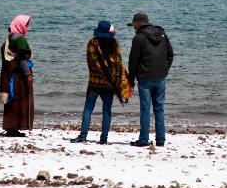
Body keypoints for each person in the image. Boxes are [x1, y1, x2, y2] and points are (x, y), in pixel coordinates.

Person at [71, 20, 131, 145]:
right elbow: (118, 63)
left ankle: (83, 136)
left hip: (94, 81)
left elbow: (90, 62)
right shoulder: (114, 44)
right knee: (107, 110)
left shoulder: (92, 43)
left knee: (88, 109)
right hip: (109, 83)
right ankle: (104, 139)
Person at [127, 12, 174, 147]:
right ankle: (160, 140)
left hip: (145, 79)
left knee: (145, 109)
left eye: (133, 25)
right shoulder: (162, 34)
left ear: (137, 24)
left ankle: (143, 140)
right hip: (160, 77)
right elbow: (170, 55)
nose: (133, 28)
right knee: (159, 108)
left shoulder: (138, 38)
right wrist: (165, 69)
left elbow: (133, 61)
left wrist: (131, 79)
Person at [0, 14, 34, 137]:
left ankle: (11, 128)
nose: (28, 27)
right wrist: (28, 74)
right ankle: (14, 128)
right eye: (26, 25)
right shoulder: (19, 39)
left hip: (8, 75)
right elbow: (22, 59)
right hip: (17, 76)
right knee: (18, 99)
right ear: (20, 25)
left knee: (10, 100)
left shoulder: (10, 37)